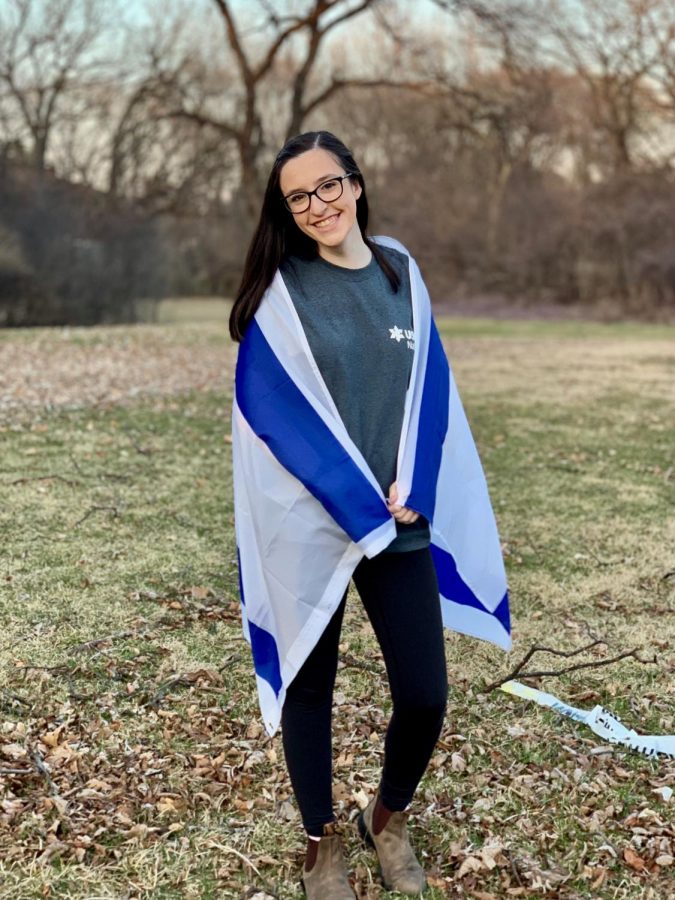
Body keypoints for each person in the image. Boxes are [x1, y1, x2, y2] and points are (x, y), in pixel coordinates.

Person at [229, 131, 511, 897]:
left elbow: (432, 385)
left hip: (398, 521)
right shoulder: (279, 294)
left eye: (328, 186)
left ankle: (385, 819)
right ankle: (320, 843)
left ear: (354, 184)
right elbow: (271, 413)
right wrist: (357, 504)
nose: (316, 205)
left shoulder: (399, 269)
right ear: (285, 209)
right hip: (315, 524)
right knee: (309, 691)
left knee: (424, 694)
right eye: (298, 196)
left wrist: (415, 483)